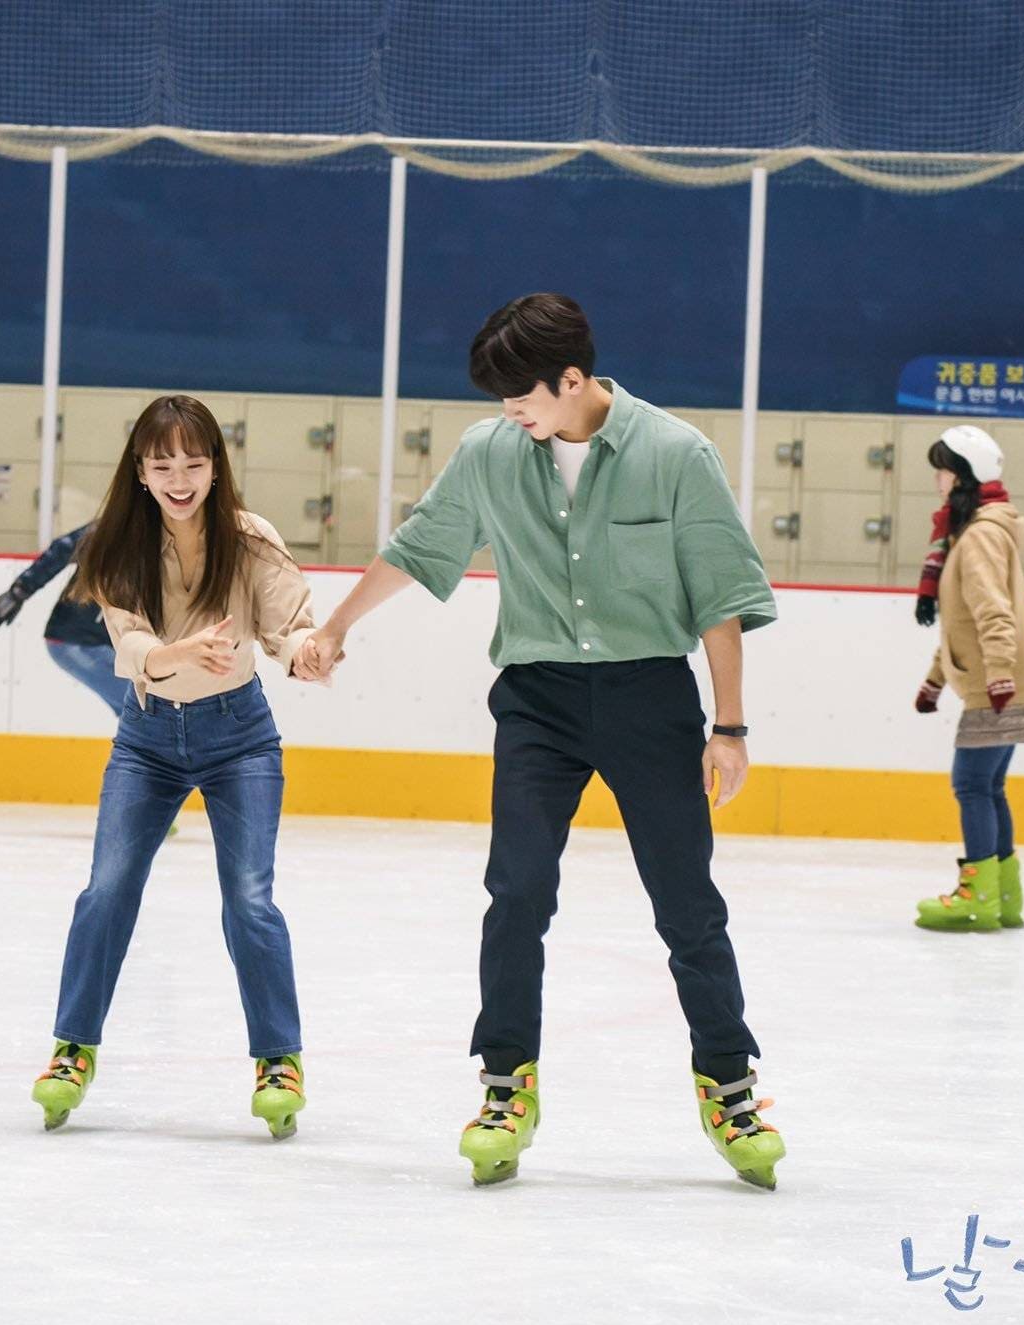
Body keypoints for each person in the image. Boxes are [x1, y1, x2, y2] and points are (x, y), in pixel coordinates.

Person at [299, 294, 785, 1189]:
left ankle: (730, 1086)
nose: (509, 414)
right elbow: (421, 546)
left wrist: (730, 727)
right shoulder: (490, 453)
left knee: (686, 905)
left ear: (572, 379)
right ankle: (504, 1085)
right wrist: (336, 627)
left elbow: (720, 597)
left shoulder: (675, 454)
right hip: (538, 703)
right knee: (516, 893)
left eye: (521, 398)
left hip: (650, 697)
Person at [29, 395, 321, 1140]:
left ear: (217, 467)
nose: (180, 480)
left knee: (249, 900)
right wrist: (172, 654)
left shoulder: (251, 540)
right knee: (106, 890)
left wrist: (306, 655)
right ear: (140, 471)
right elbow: (127, 642)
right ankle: (71, 1048)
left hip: (240, 741)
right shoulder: (119, 545)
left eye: (194, 463)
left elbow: (288, 627)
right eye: (163, 466)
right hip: (147, 741)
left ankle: (279, 1060)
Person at [912, 426, 1024, 931]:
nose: (938, 480)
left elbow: (993, 613)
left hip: (1000, 683)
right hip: (1002, 677)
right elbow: (961, 623)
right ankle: (1005, 897)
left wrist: (998, 677)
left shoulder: (978, 538)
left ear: (964, 476)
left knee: (971, 784)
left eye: (944, 470)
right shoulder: (972, 532)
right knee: (989, 786)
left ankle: (979, 897)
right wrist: (935, 679)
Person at [0, 522, 133, 717]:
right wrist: (20, 590)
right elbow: (65, 547)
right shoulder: (123, 524)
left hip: (101, 641)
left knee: (143, 707)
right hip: (79, 639)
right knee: (141, 707)